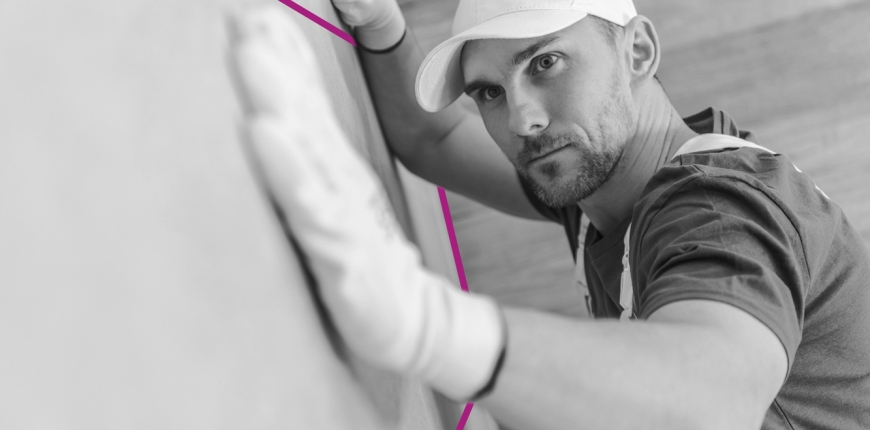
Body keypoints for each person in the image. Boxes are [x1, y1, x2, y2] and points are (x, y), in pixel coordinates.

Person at [228, 1, 870, 429]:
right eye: (489, 92)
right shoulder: (601, 178)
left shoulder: (721, 210)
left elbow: (711, 400)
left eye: (545, 62)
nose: (521, 120)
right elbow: (435, 138)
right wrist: (380, 24)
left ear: (637, 52)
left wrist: (427, 324)